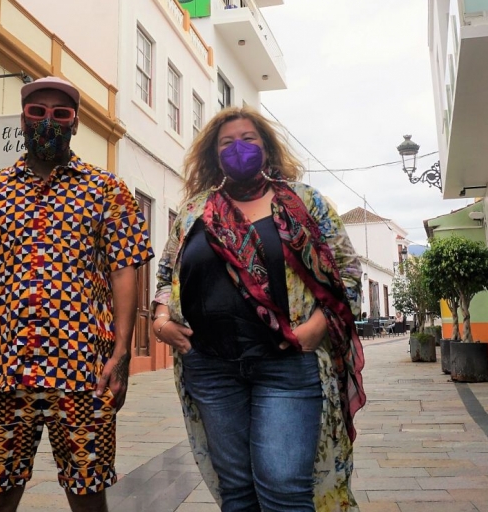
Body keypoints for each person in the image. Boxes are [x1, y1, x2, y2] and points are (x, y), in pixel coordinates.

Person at [0, 76, 153, 512]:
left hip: (82, 369)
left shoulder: (106, 191)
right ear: (23, 119)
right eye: (37, 113)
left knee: (88, 494)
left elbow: (124, 269)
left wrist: (122, 351)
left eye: (60, 114)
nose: (48, 122)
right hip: (3, 369)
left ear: (75, 124)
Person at [152, 106, 365, 512]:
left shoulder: (304, 203)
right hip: (210, 368)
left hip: (286, 361)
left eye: (248, 139)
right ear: (214, 155)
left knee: (284, 488)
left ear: (266, 147)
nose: (238, 149)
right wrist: (162, 320)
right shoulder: (196, 210)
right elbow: (166, 276)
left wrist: (319, 325)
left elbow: (348, 272)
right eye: (227, 143)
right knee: (236, 490)